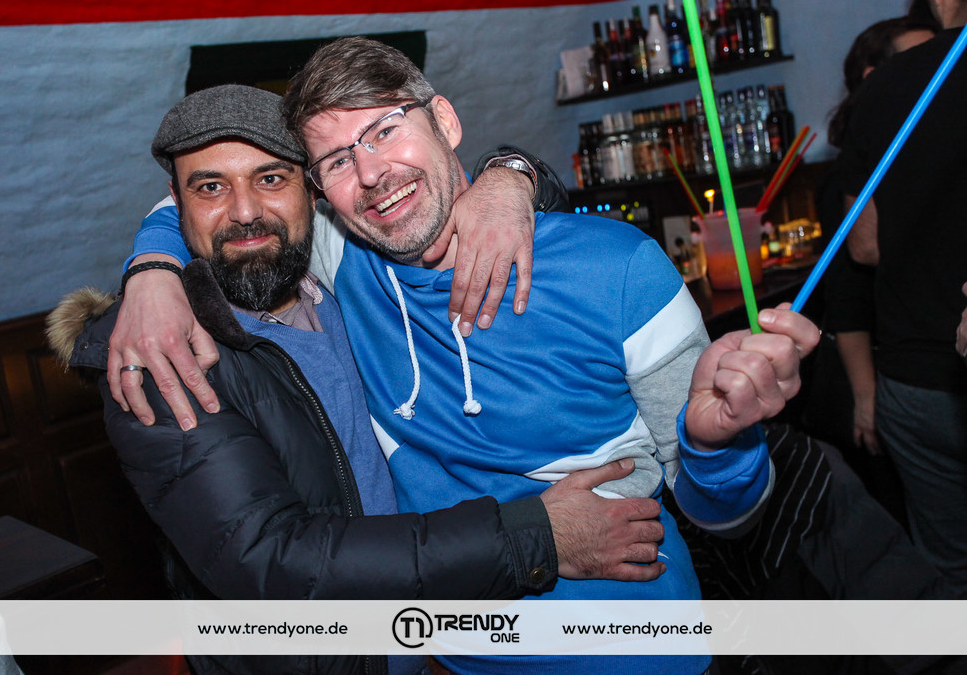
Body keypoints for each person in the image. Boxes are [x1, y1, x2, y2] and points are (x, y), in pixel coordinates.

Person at [113, 39, 819, 674]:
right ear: (321, 189)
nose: (372, 173)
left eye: (385, 130)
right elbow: (224, 199)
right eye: (337, 160)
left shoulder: (621, 270)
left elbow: (727, 517)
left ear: (445, 122)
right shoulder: (343, 259)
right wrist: (150, 270)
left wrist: (718, 446)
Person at [48, 84, 669, 675]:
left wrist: (510, 175)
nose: (245, 211)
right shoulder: (161, 356)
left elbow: (430, 191)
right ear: (178, 202)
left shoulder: (344, 280)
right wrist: (536, 537)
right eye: (210, 187)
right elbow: (274, 562)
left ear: (312, 190)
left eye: (271, 178)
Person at [836, 0, 967, 593]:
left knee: (949, 572)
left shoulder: (885, 86)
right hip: (924, 373)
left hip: (914, 377)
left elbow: (863, 246)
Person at [805, 15, 936, 521]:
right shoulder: (850, 176)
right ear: (875, 77)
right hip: (871, 378)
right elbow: (846, 293)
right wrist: (866, 396)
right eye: (919, 59)